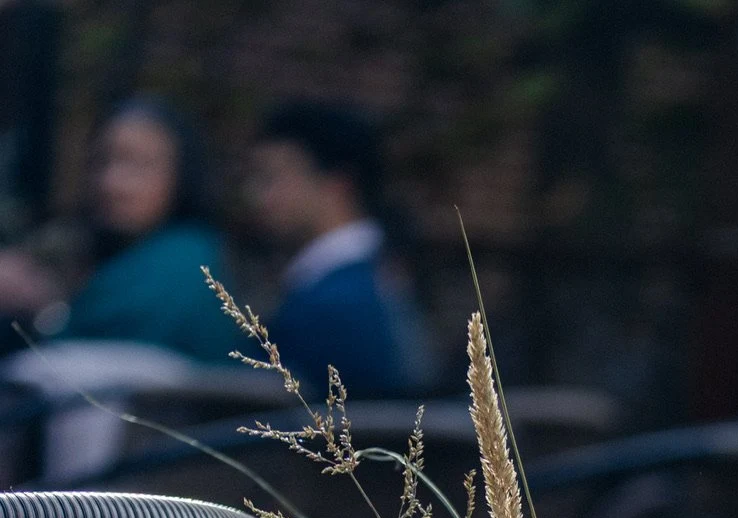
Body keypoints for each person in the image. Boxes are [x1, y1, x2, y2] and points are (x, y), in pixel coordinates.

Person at [0, 97, 242, 479]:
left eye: (140, 165)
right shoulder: (91, 249)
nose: (114, 182)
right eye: (103, 161)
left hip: (153, 501)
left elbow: (92, 344)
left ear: (181, 174)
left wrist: (43, 306)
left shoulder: (188, 257)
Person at [246, 104, 428, 398]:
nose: (258, 197)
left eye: (272, 177)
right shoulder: (379, 275)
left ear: (337, 185)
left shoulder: (336, 302)